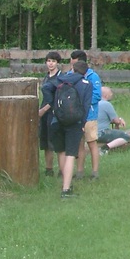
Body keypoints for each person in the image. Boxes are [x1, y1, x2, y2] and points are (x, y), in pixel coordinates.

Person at [40, 61, 91, 198]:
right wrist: (83, 123)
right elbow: (86, 106)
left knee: (61, 152)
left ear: (72, 69)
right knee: (70, 154)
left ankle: (65, 182)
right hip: (75, 122)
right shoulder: (86, 84)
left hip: (57, 120)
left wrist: (52, 104)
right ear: (86, 72)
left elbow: (45, 88)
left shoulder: (60, 79)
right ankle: (66, 190)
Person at [71, 50, 102, 180]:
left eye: (73, 63)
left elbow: (97, 95)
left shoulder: (93, 76)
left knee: (92, 143)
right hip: (76, 115)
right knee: (79, 143)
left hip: (89, 115)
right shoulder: (71, 75)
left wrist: (83, 102)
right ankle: (79, 172)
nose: (71, 65)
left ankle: (95, 172)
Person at [39, 51, 62, 176]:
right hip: (44, 113)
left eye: (53, 61)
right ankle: (49, 169)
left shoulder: (60, 77)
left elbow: (55, 98)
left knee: (56, 142)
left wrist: (43, 110)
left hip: (54, 112)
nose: (51, 63)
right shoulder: (46, 76)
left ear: (57, 63)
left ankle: (62, 170)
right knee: (45, 141)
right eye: (48, 61)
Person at [97, 86, 130, 151]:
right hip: (101, 133)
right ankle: (105, 149)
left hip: (91, 133)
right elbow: (116, 121)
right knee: (126, 136)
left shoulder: (94, 103)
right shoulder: (106, 104)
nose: (112, 94)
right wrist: (120, 120)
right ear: (106, 95)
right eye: (110, 93)